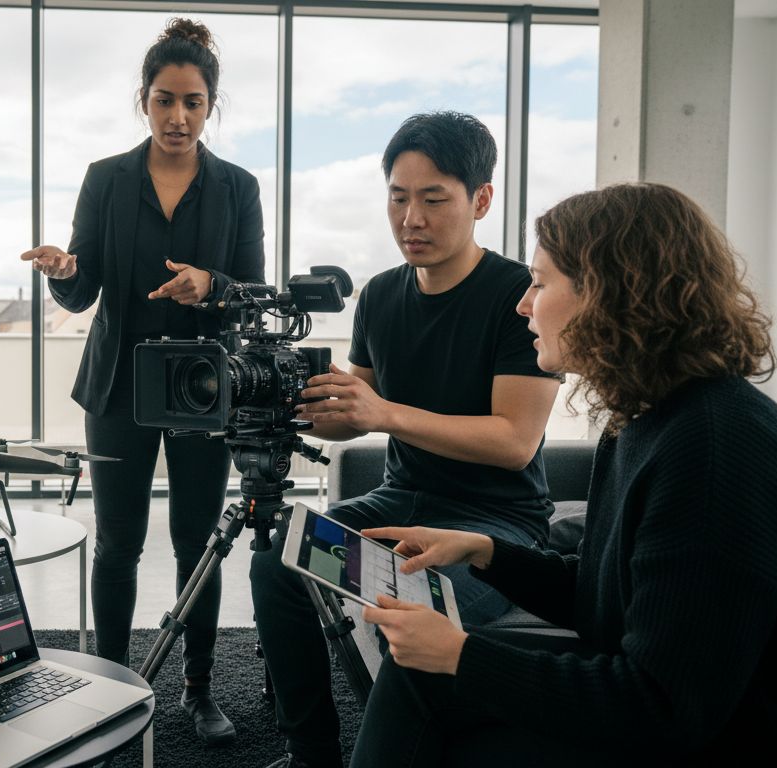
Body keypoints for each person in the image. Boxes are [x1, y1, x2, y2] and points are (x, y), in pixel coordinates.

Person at [350, 183, 777, 766]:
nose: (522, 304)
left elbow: (663, 709)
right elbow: (608, 598)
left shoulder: (711, 456)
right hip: (673, 711)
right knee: (417, 677)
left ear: (610, 294)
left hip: (737, 741)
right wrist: (485, 551)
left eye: (540, 282)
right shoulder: (647, 416)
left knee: (436, 674)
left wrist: (463, 655)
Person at [250, 111, 562, 768]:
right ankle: (311, 751)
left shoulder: (518, 296)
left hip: (496, 522)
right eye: (397, 197)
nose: (410, 219)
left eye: (432, 199)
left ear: (481, 199)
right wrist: (289, 408)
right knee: (275, 560)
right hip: (400, 501)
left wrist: (384, 411)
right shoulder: (383, 295)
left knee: (407, 613)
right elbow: (352, 414)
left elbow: (513, 441)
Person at [20, 18, 264, 746]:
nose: (178, 117)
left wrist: (210, 284)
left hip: (199, 387)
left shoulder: (238, 188)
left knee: (197, 542)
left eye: (192, 102)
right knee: (117, 543)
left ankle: (198, 687)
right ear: (144, 101)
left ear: (209, 106)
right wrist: (66, 271)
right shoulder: (106, 179)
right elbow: (84, 285)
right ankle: (109, 687)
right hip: (121, 383)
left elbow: (249, 290)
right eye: (165, 101)